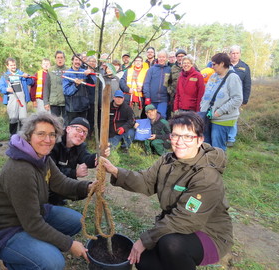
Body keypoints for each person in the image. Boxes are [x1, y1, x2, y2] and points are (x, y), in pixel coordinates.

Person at [101, 112, 233, 270]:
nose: (180, 142)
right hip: (178, 228)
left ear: (200, 140)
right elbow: (145, 181)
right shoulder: (167, 160)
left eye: (187, 137)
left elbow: (186, 219)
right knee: (142, 260)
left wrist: (145, 239)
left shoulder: (206, 176)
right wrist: (115, 171)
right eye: (176, 135)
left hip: (210, 234)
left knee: (171, 244)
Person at [0, 113, 95, 269]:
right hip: (6, 230)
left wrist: (88, 187)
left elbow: (61, 183)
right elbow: (33, 223)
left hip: (34, 215)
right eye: (41, 134)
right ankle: (10, 262)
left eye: (51, 135)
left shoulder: (43, 158)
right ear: (29, 136)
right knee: (54, 263)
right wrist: (68, 244)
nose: (48, 140)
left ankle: (36, 245)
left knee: (76, 221)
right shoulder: (20, 170)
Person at [49, 117, 110, 205]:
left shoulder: (80, 147)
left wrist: (99, 155)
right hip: (48, 184)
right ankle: (52, 200)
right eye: (78, 130)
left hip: (64, 182)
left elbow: (87, 159)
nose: (82, 134)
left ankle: (59, 199)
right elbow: (49, 173)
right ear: (68, 129)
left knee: (83, 190)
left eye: (85, 133)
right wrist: (74, 173)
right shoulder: (53, 143)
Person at [200, 53, 243, 151]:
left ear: (222, 64)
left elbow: (237, 99)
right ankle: (208, 165)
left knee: (217, 147)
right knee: (206, 145)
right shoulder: (213, 76)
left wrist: (220, 112)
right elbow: (206, 93)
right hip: (207, 116)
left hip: (222, 119)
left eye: (214, 64)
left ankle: (218, 165)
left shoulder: (233, 77)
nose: (212, 66)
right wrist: (202, 106)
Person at [0, 58, 33, 136]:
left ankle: (22, 137)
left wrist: (28, 76)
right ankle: (13, 137)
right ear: (7, 66)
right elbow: (0, 87)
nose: (13, 67)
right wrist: (6, 89)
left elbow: (31, 82)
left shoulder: (21, 74)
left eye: (14, 65)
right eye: (11, 65)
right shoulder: (5, 76)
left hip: (22, 99)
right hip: (11, 99)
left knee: (23, 119)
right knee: (13, 118)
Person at [227, 45, 252, 147]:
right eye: (233, 53)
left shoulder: (244, 67)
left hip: (236, 97)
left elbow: (247, 84)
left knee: (233, 117)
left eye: (237, 53)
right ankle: (222, 136)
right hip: (224, 96)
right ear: (230, 54)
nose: (235, 55)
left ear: (240, 54)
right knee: (222, 116)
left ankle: (231, 138)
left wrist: (245, 99)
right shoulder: (225, 64)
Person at [62, 54, 91, 123]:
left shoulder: (84, 72)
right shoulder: (67, 74)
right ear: (72, 61)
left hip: (84, 107)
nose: (78, 62)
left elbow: (91, 86)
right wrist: (75, 85)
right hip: (72, 108)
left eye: (80, 60)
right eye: (76, 60)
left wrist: (89, 76)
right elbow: (66, 91)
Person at [143, 50, 171, 119]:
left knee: (161, 117)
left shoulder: (169, 70)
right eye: (160, 57)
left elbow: (171, 84)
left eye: (163, 57)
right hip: (152, 99)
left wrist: (170, 97)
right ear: (157, 58)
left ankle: (160, 130)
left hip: (163, 99)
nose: (161, 59)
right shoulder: (152, 69)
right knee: (151, 117)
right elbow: (146, 83)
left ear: (166, 58)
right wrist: (147, 97)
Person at [167, 49, 187, 118]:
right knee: (175, 116)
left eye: (182, 56)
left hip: (187, 97)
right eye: (178, 56)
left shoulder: (191, 66)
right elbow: (167, 82)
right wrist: (170, 91)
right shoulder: (172, 68)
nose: (180, 58)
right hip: (175, 97)